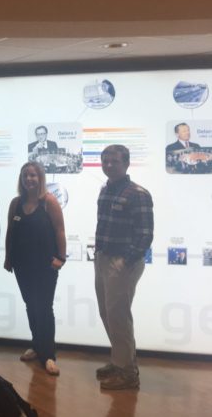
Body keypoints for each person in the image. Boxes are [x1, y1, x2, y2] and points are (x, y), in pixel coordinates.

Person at [95, 144, 153, 390]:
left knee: (119, 316)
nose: (109, 165)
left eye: (114, 161)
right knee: (108, 314)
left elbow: (145, 234)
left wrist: (126, 260)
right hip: (102, 258)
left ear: (126, 164)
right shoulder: (105, 190)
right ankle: (121, 361)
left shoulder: (137, 193)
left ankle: (128, 373)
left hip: (122, 262)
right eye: (105, 161)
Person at [4, 162, 66, 375]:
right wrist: (8, 257)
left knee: (44, 308)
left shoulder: (49, 202)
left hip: (45, 265)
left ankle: (48, 355)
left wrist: (60, 257)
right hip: (22, 264)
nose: (29, 179)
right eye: (25, 175)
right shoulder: (15, 203)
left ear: (40, 178)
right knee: (31, 305)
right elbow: (10, 232)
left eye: (33, 175)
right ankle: (37, 345)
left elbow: (60, 230)